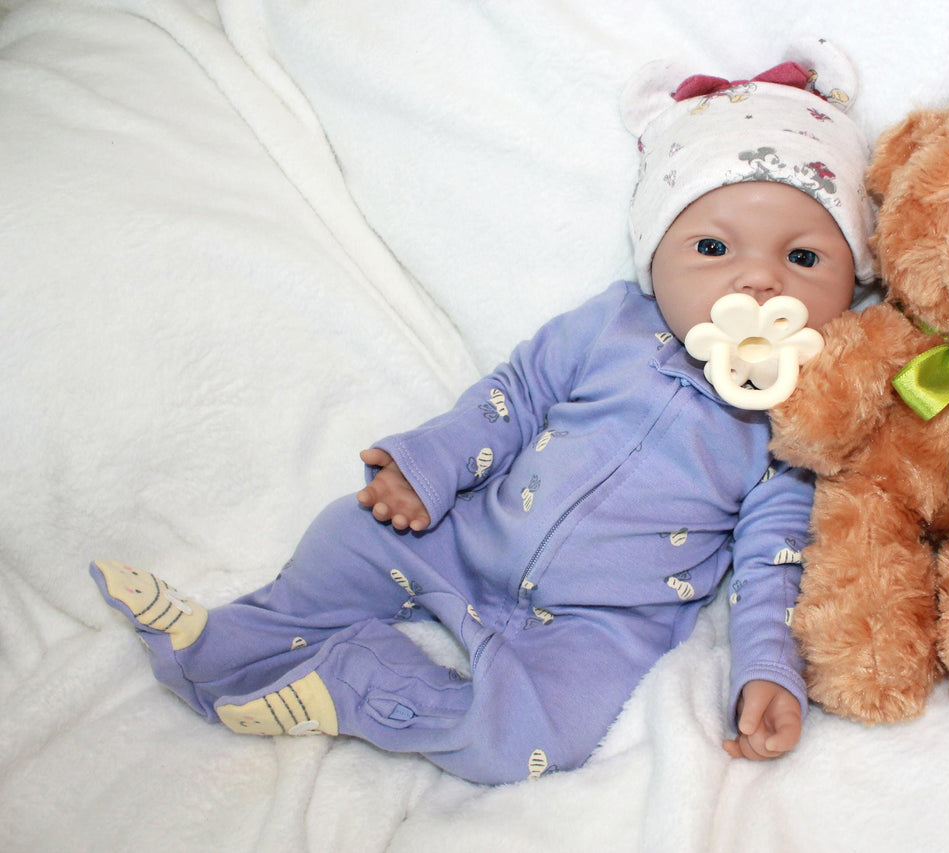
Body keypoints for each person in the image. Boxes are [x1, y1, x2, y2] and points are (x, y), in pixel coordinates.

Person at [89, 39, 874, 785]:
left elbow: (775, 556)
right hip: (470, 539)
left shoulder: (801, 417)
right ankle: (219, 641)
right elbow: (515, 395)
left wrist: (766, 666)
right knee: (348, 535)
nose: (759, 281)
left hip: (595, 624)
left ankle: (363, 684)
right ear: (654, 255)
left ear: (850, 286)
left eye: (803, 257)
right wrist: (429, 466)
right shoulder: (614, 323)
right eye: (713, 248)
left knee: (536, 741)